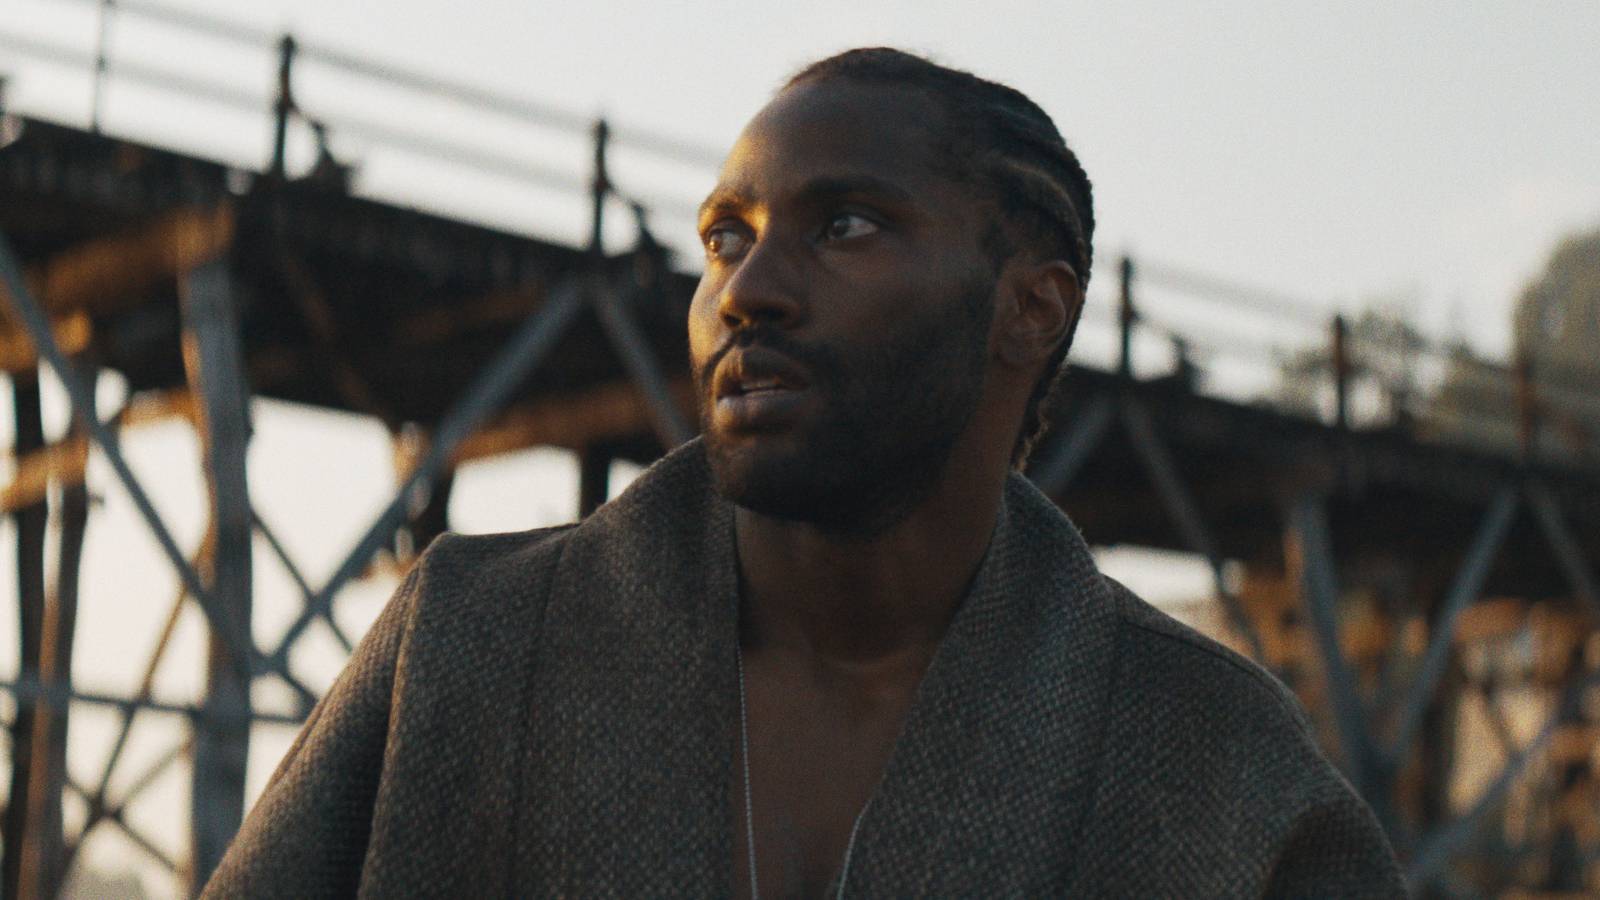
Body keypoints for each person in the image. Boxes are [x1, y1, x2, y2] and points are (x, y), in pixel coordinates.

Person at [205, 48, 1405, 897]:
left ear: (1029, 309)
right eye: (726, 235)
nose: (748, 288)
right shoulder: (463, 646)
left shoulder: (1208, 754)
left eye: (845, 227)